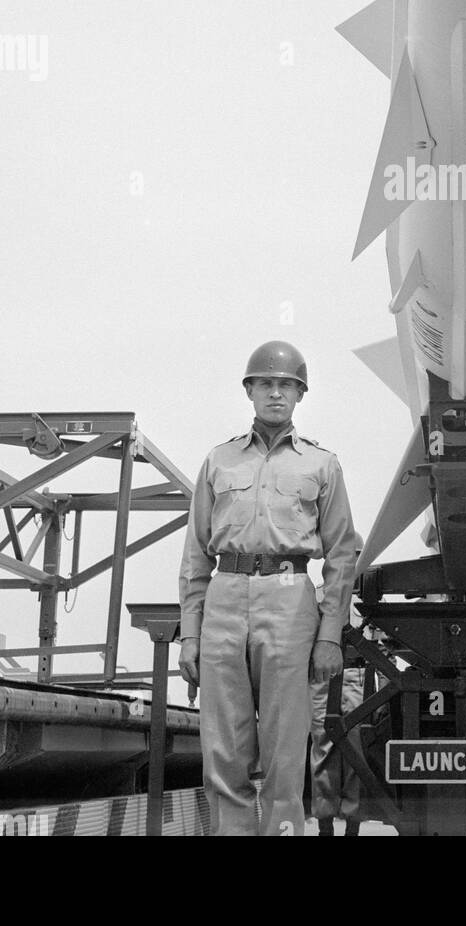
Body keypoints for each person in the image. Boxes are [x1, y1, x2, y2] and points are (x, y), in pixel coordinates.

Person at [178, 341, 357, 836]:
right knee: (223, 747)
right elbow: (195, 555)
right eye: (266, 384)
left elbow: (342, 554)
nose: (276, 393)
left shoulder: (321, 464)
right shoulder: (218, 461)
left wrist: (330, 635)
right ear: (249, 391)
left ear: (300, 394)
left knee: (285, 747)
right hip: (224, 599)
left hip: (290, 600)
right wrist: (190, 634)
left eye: (286, 385)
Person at [309, 532, 366, 837]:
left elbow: (384, 647)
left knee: (356, 749)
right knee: (323, 746)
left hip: (357, 674)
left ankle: (353, 823)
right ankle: (325, 824)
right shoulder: (315, 597)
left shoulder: (369, 601)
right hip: (322, 678)